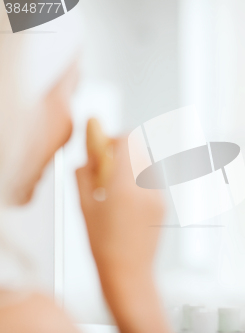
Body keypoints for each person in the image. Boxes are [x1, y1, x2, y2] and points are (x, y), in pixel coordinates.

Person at [0, 7, 172, 333]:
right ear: (19, 92)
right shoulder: (26, 320)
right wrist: (132, 279)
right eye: (70, 90)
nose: (71, 129)